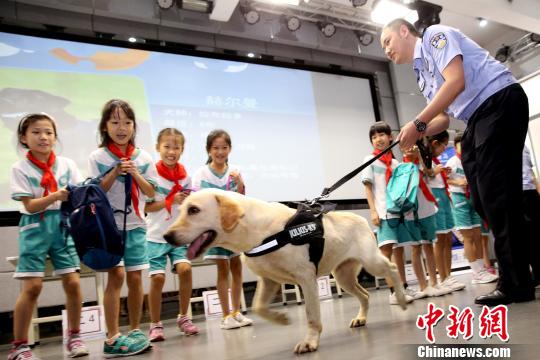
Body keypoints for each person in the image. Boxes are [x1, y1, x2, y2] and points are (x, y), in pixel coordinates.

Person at [380, 19, 533, 305]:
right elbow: (442, 117)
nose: (386, 50)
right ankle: (524, 273)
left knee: (498, 198)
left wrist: (418, 122)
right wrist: (414, 132)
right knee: (482, 200)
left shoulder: (435, 37)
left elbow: (456, 81)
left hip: (498, 100)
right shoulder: (421, 73)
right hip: (477, 117)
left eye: (387, 41)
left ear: (404, 31)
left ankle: (517, 284)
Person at [9, 113, 89, 360]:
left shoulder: (67, 165)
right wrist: (55, 196)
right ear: (24, 138)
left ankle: (75, 336)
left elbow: (78, 197)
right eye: (36, 132)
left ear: (55, 137)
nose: (43, 137)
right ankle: (19, 346)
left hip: (64, 227)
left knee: (74, 282)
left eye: (48, 132)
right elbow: (30, 206)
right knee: (32, 287)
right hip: (35, 228)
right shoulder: (19, 168)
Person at [88, 100, 157, 357]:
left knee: (136, 277)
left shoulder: (144, 157)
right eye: (115, 122)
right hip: (108, 227)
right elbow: (96, 191)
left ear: (134, 126)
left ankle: (137, 330)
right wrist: (115, 172)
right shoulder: (98, 156)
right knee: (116, 276)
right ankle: (112, 335)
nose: (121, 127)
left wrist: (135, 173)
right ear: (105, 126)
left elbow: (151, 193)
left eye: (127, 122)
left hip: (137, 225)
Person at [191, 129, 253, 329]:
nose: (220, 152)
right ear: (209, 150)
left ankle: (237, 312)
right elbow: (196, 201)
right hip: (215, 230)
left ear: (230, 149)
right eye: (216, 148)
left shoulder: (235, 170)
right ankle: (225, 315)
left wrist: (240, 183)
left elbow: (242, 197)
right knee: (222, 269)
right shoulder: (201, 173)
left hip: (233, 228)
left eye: (224, 148)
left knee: (237, 268)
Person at [145, 128, 199, 341]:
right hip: (156, 235)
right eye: (167, 146)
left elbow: (188, 204)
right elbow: (147, 207)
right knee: (157, 278)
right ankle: (155, 324)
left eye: (176, 147)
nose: (171, 151)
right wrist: (171, 200)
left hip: (178, 235)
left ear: (182, 150)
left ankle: (184, 317)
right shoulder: (151, 175)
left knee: (185, 269)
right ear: (158, 148)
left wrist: (188, 200)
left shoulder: (186, 176)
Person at [361, 121, 414, 305]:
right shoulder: (370, 160)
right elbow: (367, 187)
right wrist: (373, 212)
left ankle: (404, 287)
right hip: (383, 213)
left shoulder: (395, 163)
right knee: (386, 253)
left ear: (390, 137)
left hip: (398, 214)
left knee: (399, 251)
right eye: (374, 137)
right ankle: (393, 292)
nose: (378, 139)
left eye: (381, 135)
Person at [398, 145, 452, 298]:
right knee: (416, 248)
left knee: (429, 244)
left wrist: (421, 159)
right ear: (402, 149)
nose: (410, 148)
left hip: (427, 208)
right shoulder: (401, 167)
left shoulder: (423, 164)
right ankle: (423, 285)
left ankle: (434, 283)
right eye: (407, 147)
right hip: (410, 211)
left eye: (414, 146)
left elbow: (430, 174)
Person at [445, 133, 498, 285]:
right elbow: (444, 178)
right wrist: (457, 182)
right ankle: (476, 271)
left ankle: (482, 270)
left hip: (473, 198)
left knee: (478, 235)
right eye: (461, 144)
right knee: (468, 237)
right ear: (455, 147)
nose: (465, 146)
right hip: (459, 200)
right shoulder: (452, 162)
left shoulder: (471, 159)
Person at [425, 131, 466, 291]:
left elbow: (434, 175)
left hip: (444, 194)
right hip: (434, 197)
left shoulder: (434, 160)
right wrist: (435, 172)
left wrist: (442, 172)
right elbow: (423, 175)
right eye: (443, 145)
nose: (444, 149)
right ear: (435, 143)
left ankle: (448, 276)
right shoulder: (424, 158)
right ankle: (442, 278)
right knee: (439, 239)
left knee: (448, 237)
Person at [522, 146, 540, 285]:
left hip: (530, 193)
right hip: (516, 192)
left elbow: (531, 173)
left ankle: (537, 273)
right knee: (524, 236)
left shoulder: (524, 147)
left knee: (534, 234)